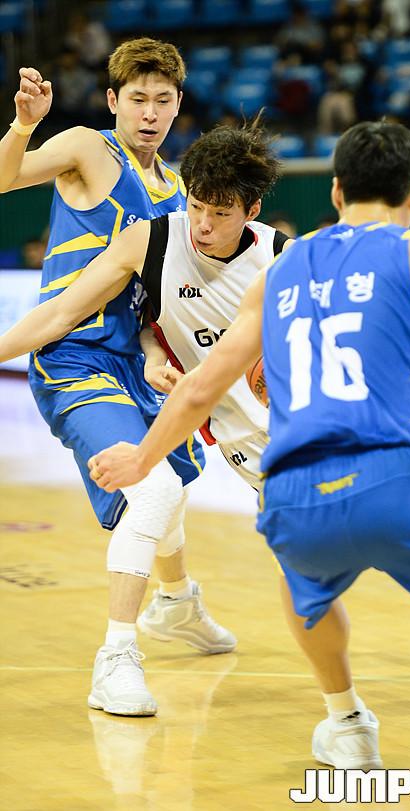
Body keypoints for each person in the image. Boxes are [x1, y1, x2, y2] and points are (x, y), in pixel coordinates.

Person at [86, 121, 410, 768]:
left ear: (335, 190)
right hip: (398, 470)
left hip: (292, 490)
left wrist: (141, 457)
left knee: (306, 589)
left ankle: (346, 719)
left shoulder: (283, 267)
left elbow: (199, 388)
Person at [0, 38, 235, 718]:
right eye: (137, 99)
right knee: (150, 486)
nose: (149, 113)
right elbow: (4, 180)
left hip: (134, 361)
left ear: (179, 105)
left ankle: (178, 601)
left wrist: (156, 352)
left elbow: (148, 300)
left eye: (163, 101)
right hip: (72, 356)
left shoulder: (179, 193)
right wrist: (21, 127)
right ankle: (117, 659)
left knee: (175, 484)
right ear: (113, 101)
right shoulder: (87, 149)